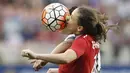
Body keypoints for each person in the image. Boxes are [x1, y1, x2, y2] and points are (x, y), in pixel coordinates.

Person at [22, 6, 114, 73]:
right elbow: (66, 44)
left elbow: (66, 58)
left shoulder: (82, 40)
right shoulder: (86, 38)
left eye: (71, 17)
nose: (66, 18)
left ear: (79, 28)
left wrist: (37, 56)